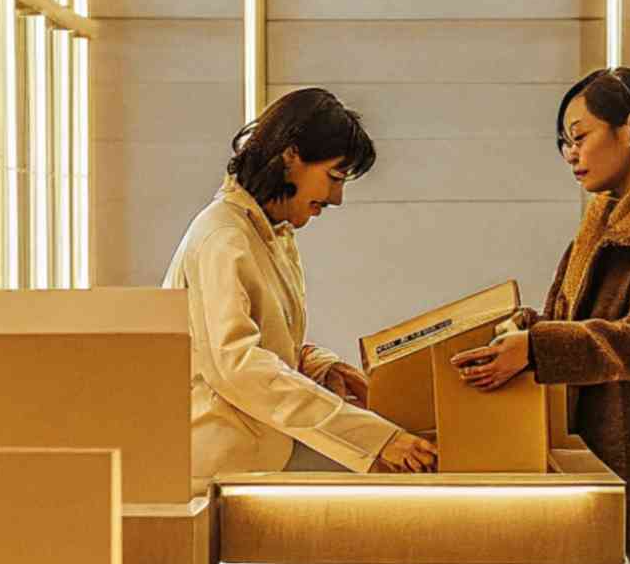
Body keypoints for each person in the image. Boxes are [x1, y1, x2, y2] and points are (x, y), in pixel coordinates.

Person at [451, 68, 630, 564]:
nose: (570, 154)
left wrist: (538, 349)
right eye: (564, 143)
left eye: (579, 136)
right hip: (602, 471)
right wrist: (523, 328)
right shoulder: (602, 222)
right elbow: (572, 319)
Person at [164, 88, 438, 486]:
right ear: (291, 156)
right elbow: (238, 368)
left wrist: (320, 366)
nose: (338, 198)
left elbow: (263, 344)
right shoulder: (222, 238)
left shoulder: (270, 234)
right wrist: (377, 438)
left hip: (257, 450)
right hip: (219, 463)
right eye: (334, 176)